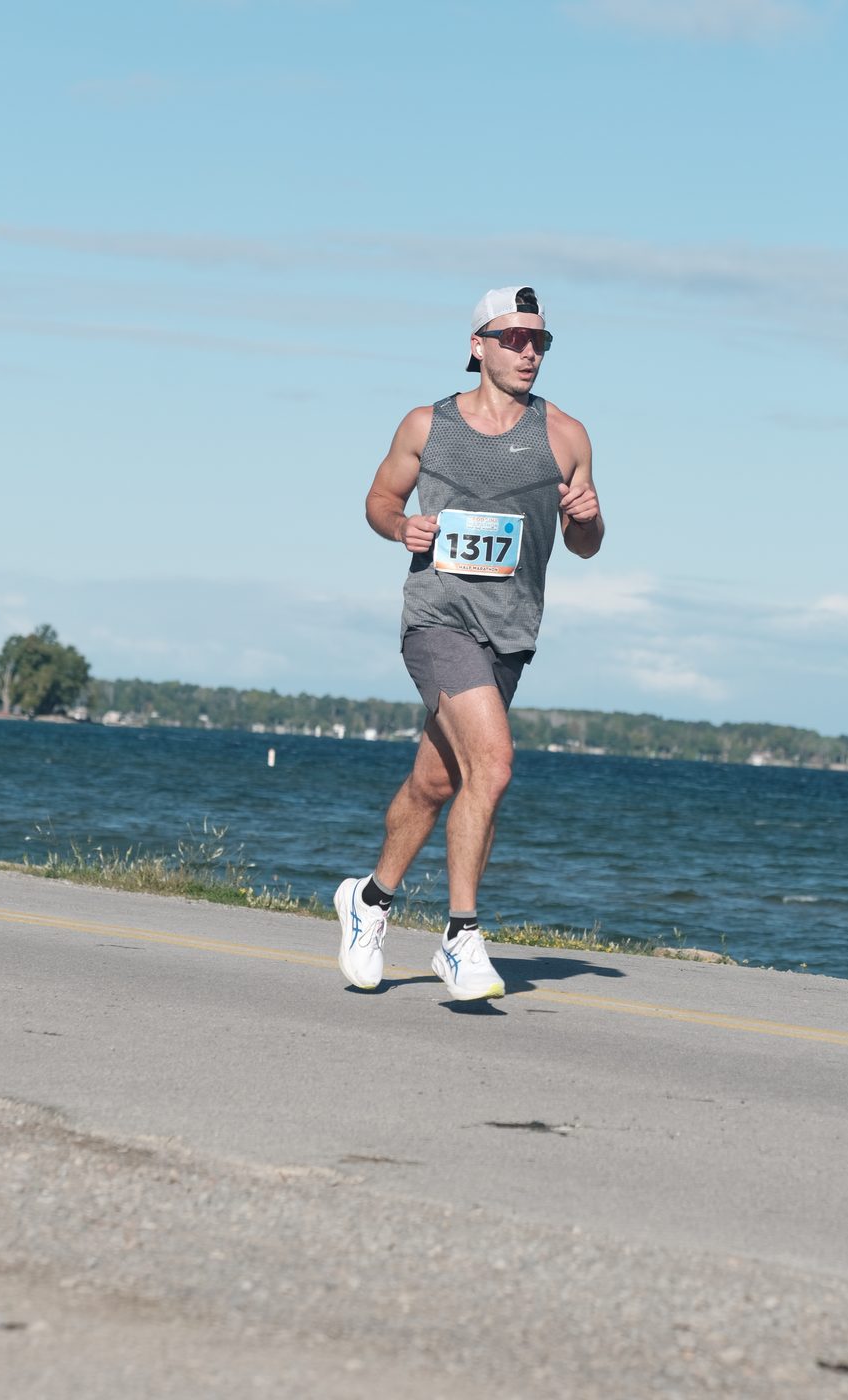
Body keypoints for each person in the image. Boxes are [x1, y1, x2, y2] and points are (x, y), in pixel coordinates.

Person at [334, 285, 603, 1000]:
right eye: (513, 338)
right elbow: (378, 501)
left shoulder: (565, 435)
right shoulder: (427, 424)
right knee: (494, 763)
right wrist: (401, 529)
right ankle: (461, 936)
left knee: (436, 782)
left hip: (511, 631)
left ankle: (368, 901)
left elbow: (586, 547)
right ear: (476, 346)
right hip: (437, 620)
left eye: (538, 341)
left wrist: (586, 515)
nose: (527, 352)